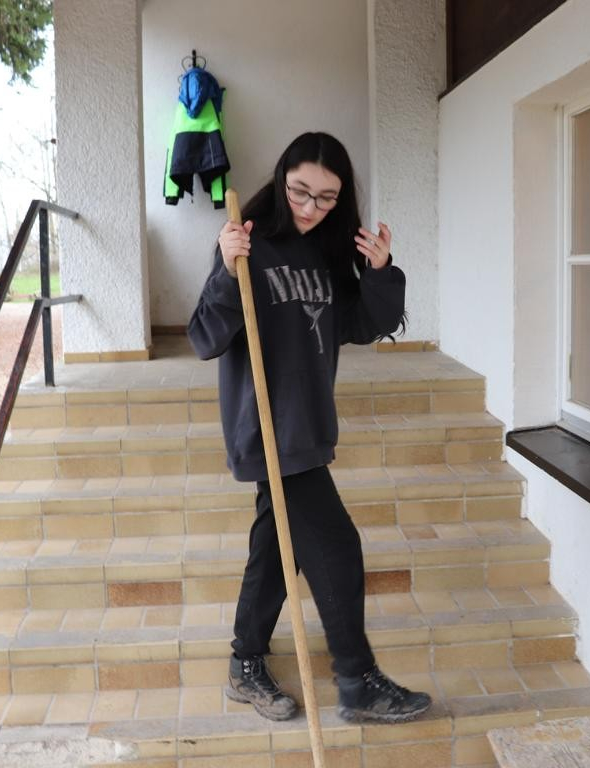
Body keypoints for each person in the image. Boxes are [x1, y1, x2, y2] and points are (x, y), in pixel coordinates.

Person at [187, 132, 432, 724]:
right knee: (336, 545)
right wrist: (227, 271)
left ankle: (245, 664)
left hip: (309, 423)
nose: (309, 207)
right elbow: (204, 337)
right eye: (300, 191)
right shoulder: (246, 243)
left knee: (277, 548)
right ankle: (357, 680)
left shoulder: (324, 251)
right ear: (281, 179)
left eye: (326, 197)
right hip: (266, 426)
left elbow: (361, 325)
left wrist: (379, 272)